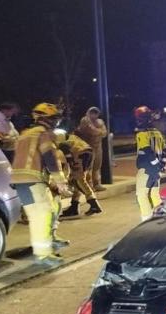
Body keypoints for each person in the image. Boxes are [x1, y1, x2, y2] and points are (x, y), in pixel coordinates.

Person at [10, 103, 71, 265]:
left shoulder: (24, 134)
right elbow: (50, 158)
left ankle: (45, 248)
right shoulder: (43, 134)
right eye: (54, 119)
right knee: (43, 215)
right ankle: (43, 254)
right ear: (47, 119)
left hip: (21, 182)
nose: (55, 122)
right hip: (32, 181)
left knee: (43, 213)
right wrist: (60, 181)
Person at [56, 132, 103, 217]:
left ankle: (93, 203)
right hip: (86, 153)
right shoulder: (69, 137)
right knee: (76, 180)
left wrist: (70, 166)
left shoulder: (59, 141)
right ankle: (74, 206)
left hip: (80, 154)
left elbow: (67, 154)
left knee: (78, 180)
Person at [134, 106, 166, 221]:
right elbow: (165, 151)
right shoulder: (157, 133)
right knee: (154, 194)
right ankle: (160, 218)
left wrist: (155, 165)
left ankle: (146, 220)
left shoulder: (141, 133)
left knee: (141, 195)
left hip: (146, 169)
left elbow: (147, 151)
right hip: (157, 170)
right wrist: (162, 166)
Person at [75, 106, 109, 192]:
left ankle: (96, 184)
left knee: (97, 166)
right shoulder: (85, 120)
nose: (94, 115)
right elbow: (91, 131)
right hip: (87, 146)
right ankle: (88, 185)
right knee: (88, 167)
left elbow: (104, 133)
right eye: (92, 113)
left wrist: (98, 132)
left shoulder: (100, 121)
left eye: (96, 113)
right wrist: (99, 131)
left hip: (98, 147)